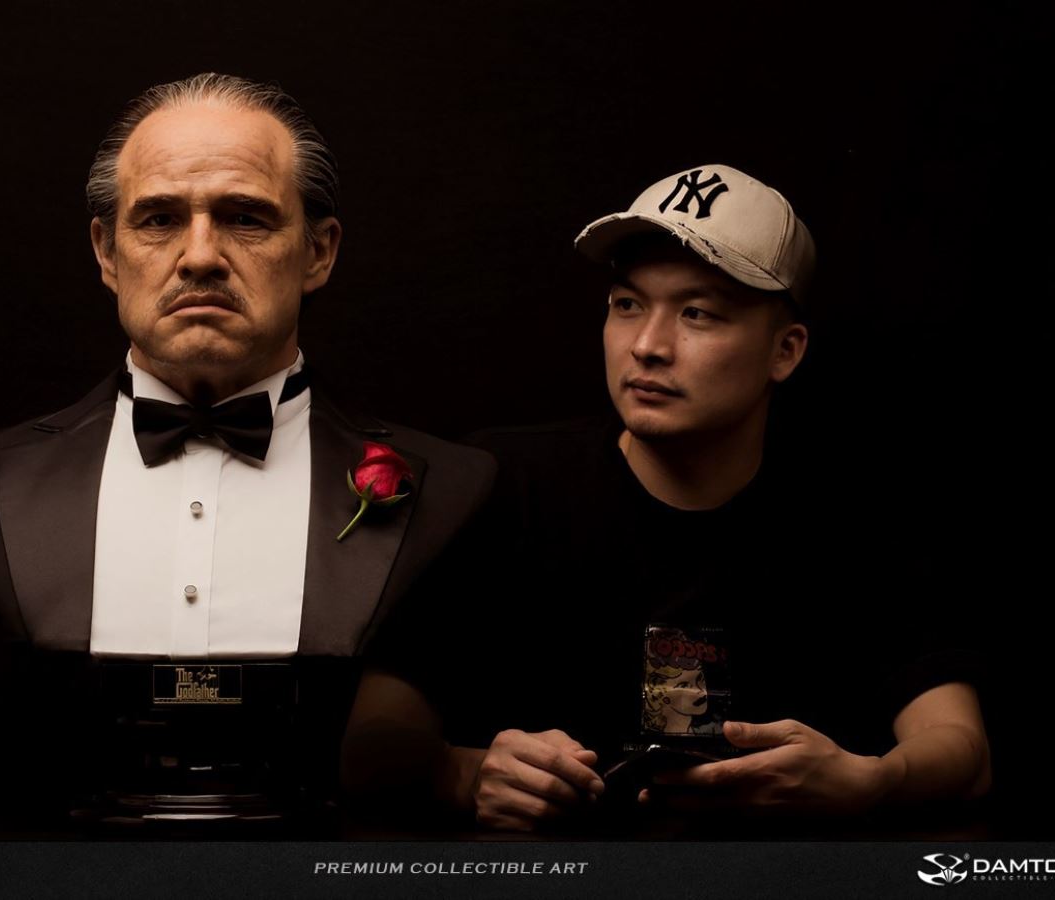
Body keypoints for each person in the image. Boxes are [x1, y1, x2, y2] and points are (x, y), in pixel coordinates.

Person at [343, 164, 990, 833]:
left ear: (785, 351)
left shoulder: (858, 510)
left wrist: (873, 782)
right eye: (627, 304)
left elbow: (963, 751)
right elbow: (365, 737)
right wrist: (461, 772)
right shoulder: (498, 482)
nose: (647, 347)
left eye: (696, 313)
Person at [0, 73, 493, 828]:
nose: (199, 257)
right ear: (106, 252)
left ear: (318, 252)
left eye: (245, 218)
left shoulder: (452, 485)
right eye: (159, 219)